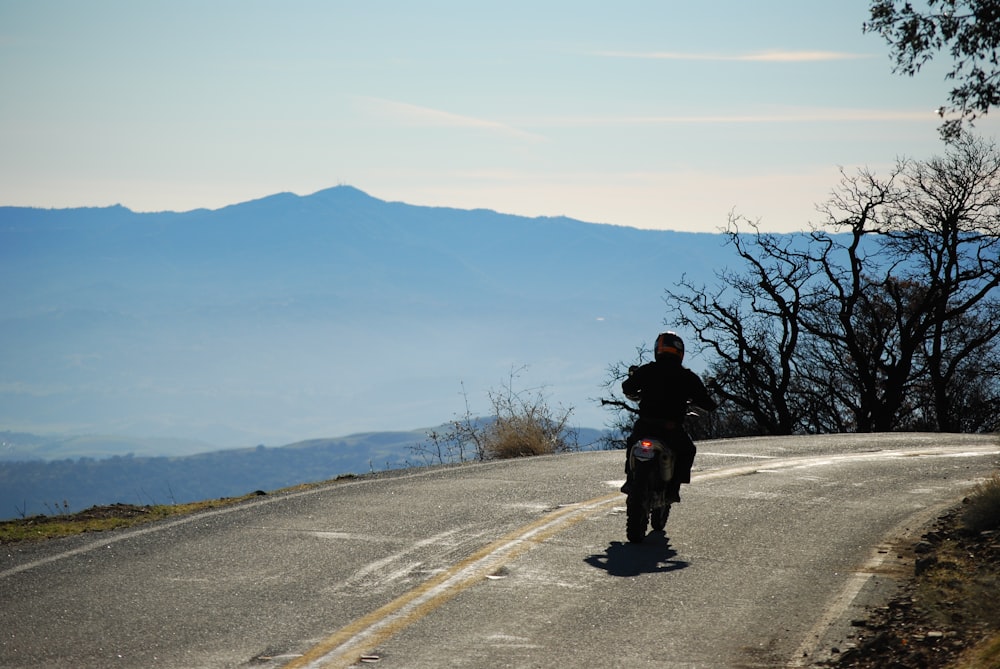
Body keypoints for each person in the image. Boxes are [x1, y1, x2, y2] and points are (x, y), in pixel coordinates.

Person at [620, 331, 718, 503]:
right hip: (670, 428)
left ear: (658, 349)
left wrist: (636, 385)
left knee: (632, 442)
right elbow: (708, 404)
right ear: (679, 352)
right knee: (687, 450)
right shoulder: (687, 376)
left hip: (646, 424)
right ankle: (673, 489)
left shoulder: (648, 370)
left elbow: (627, 387)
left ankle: (630, 480)